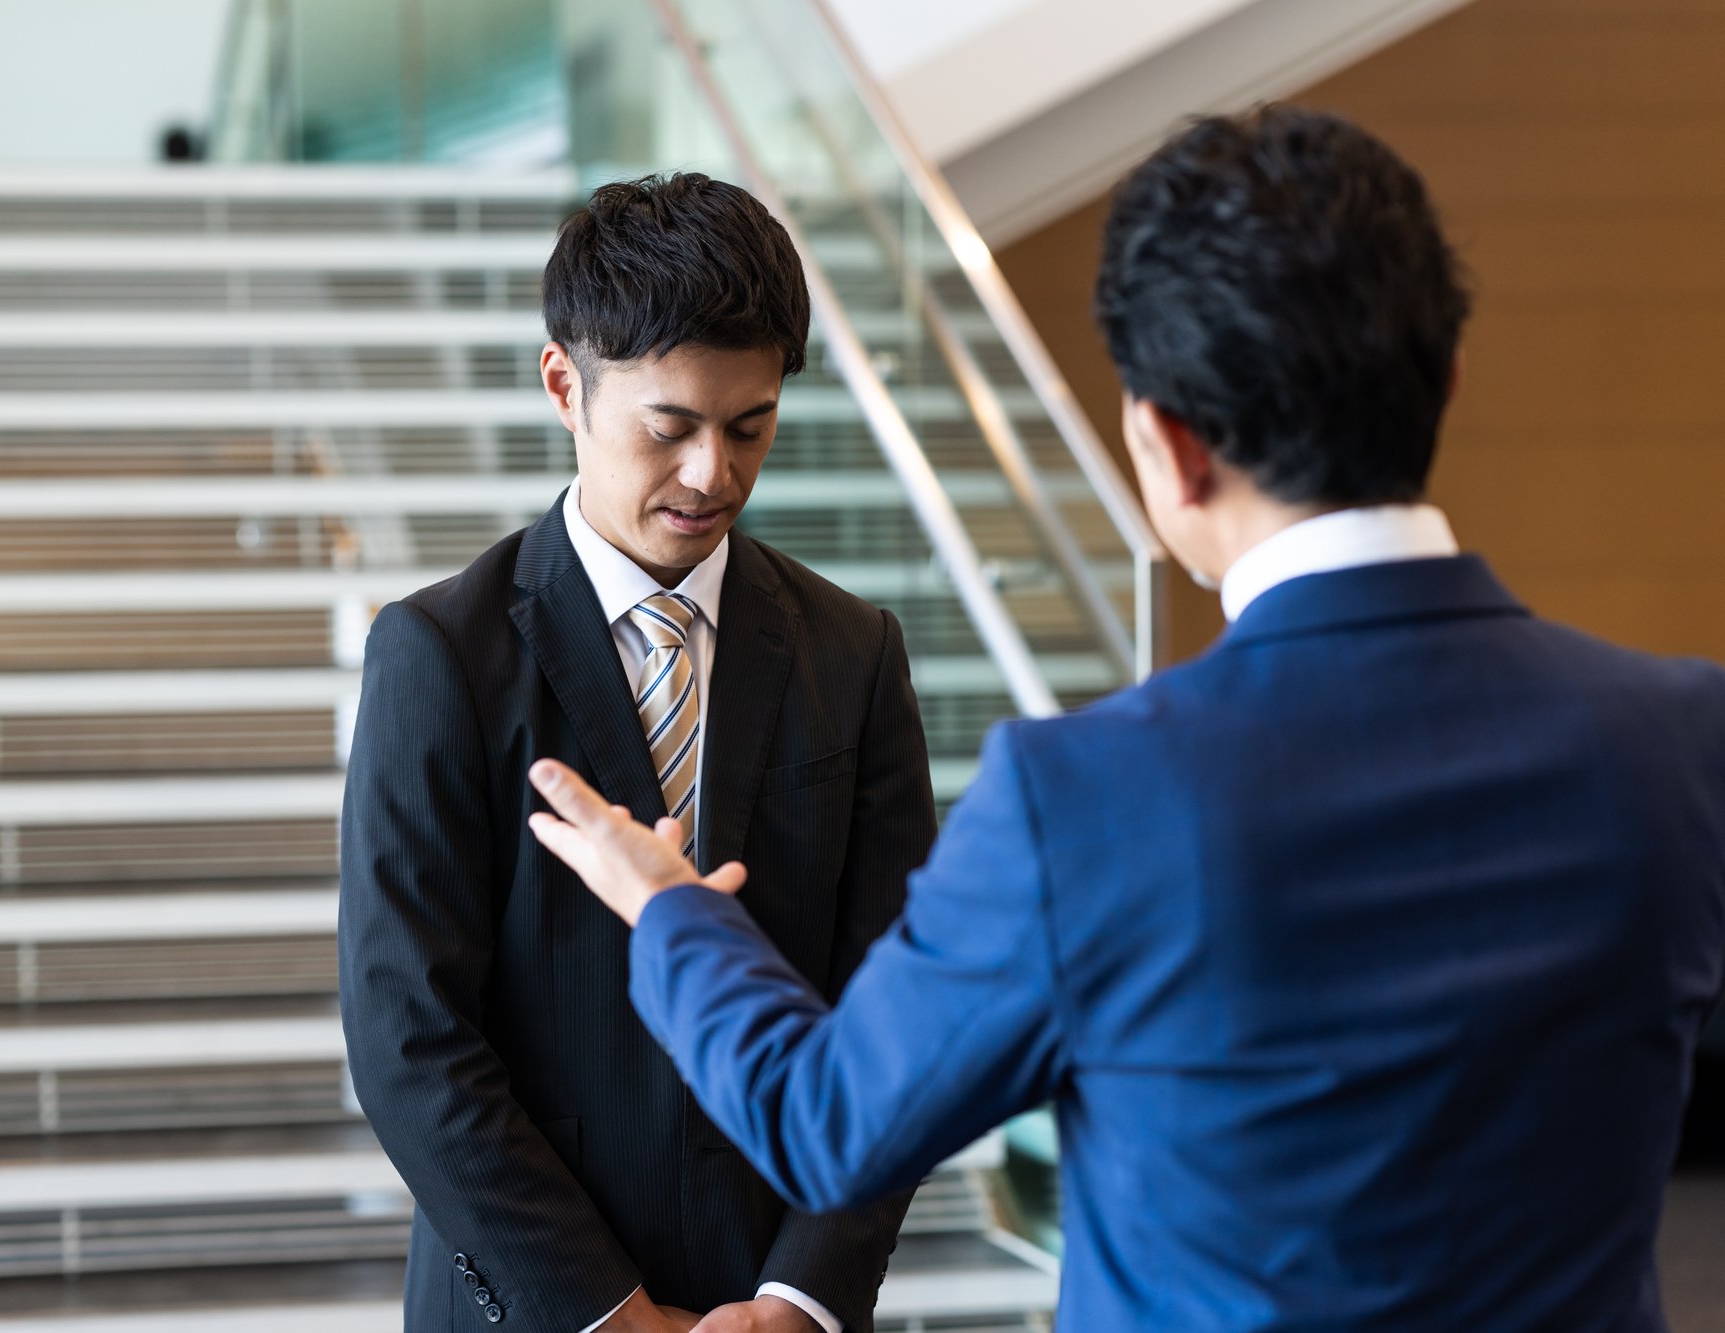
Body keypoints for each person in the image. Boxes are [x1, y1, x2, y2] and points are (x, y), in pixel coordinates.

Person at [526, 108, 1725, 1331]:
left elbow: (823, 1121)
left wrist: (667, 905)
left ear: (1166, 444)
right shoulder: (1684, 742)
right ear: (1445, 381)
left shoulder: (1083, 798)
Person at [338, 173, 932, 1333]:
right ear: (564, 383)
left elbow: (895, 1008)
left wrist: (796, 1296)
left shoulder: (853, 650)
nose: (713, 473)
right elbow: (407, 1037)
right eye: (670, 426)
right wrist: (608, 1312)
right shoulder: (437, 656)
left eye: (749, 425)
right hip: (533, 1306)